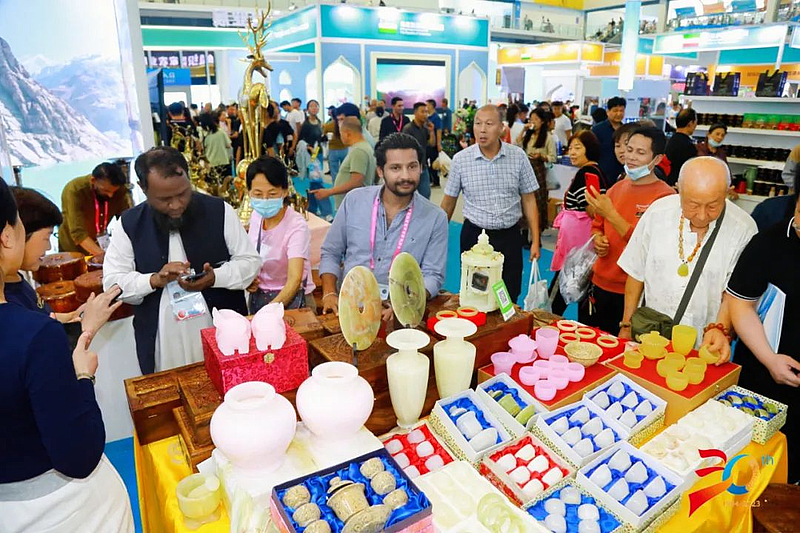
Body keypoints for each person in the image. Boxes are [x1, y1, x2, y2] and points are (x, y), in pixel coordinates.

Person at [0, 179, 133, 533]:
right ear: (8, 235)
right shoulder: (31, 335)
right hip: (57, 512)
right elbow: (79, 455)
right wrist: (83, 375)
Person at [103, 147, 260, 374]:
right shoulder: (129, 224)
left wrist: (215, 277)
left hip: (221, 331)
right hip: (163, 340)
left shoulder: (219, 211)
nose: (176, 205)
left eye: (183, 194)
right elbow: (112, 283)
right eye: (165, 199)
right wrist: (153, 280)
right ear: (143, 189)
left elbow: (250, 262)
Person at [617, 157, 758, 359]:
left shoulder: (744, 229)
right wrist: (626, 324)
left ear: (727, 193)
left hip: (706, 341)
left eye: (712, 206)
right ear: (679, 190)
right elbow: (636, 272)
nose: (701, 215)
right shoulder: (657, 213)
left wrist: (720, 329)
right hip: (650, 335)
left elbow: (733, 293)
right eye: (693, 205)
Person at [319, 133, 448, 319]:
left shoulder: (435, 217)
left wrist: (404, 304)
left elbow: (433, 275)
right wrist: (329, 293)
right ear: (380, 171)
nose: (405, 176)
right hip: (349, 305)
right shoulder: (355, 201)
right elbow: (331, 252)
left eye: (412, 166)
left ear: (421, 167)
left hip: (400, 311)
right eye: (396, 168)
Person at [724, 187, 800, 482]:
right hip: (765, 376)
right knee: (753, 465)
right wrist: (769, 359)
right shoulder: (768, 243)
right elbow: (740, 303)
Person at [441, 105, 541, 304]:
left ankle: (506, 321)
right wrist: (437, 238)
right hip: (475, 238)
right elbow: (448, 202)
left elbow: (529, 200)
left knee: (509, 293)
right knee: (476, 294)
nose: (482, 130)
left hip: (509, 236)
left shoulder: (518, 157)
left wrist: (536, 240)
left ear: (502, 127)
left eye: (489, 124)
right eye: (478, 124)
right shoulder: (461, 160)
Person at [582, 127, 675, 334]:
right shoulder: (616, 188)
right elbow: (597, 225)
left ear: (657, 159)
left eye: (640, 153)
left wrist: (611, 214)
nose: (631, 157)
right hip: (599, 282)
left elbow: (650, 248)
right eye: (629, 149)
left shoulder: (665, 198)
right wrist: (598, 239)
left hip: (632, 292)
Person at [550, 131, 609, 314]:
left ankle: (547, 324)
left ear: (589, 149)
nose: (572, 153)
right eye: (570, 148)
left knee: (562, 289)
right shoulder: (593, 171)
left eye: (578, 148)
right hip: (579, 245)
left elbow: (593, 208)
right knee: (580, 287)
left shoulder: (587, 173)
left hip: (577, 248)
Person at [246, 156, 314, 313]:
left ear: (284, 191)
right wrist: (250, 280)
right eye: (258, 194)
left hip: (290, 298)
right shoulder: (256, 217)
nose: (264, 200)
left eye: (272, 194)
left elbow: (295, 279)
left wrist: (268, 312)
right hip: (260, 297)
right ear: (249, 192)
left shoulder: (296, 225)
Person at [59, 162, 132, 256]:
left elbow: (126, 221)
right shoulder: (75, 190)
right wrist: (106, 257)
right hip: (73, 249)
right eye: (105, 190)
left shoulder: (120, 190)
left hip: (101, 246)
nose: (110, 195)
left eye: (114, 192)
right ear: (93, 180)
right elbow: (78, 233)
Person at [313, 117, 376, 210]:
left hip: (353, 207)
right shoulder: (362, 147)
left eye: (340, 133)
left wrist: (329, 192)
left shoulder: (359, 150)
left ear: (348, 134)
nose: (340, 137)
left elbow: (356, 182)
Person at [518, 108, 556, 233]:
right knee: (524, 200)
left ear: (542, 121)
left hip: (539, 170)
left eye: (536, 119)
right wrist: (524, 130)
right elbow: (517, 144)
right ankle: (524, 232)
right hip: (526, 169)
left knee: (538, 202)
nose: (533, 121)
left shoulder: (548, 137)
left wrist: (541, 156)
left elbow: (553, 157)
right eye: (531, 119)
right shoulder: (529, 135)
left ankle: (537, 234)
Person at [402, 103, 435, 199]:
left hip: (423, 166)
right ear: (415, 113)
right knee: (408, 196)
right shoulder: (408, 129)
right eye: (422, 112)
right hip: (410, 167)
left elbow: (432, 144)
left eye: (426, 112)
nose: (425, 115)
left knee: (425, 195)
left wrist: (431, 131)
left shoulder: (425, 129)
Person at [592, 96, 626, 183]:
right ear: (608, 111)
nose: (619, 114)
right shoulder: (597, 130)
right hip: (602, 174)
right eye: (615, 111)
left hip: (622, 174)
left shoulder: (626, 130)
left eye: (621, 111)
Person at [665, 108, 698, 186]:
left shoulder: (670, 140)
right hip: (678, 185)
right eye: (696, 122)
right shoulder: (688, 146)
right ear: (691, 123)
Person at [293, 99, 324, 179]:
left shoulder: (319, 122)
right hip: (310, 153)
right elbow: (301, 140)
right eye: (311, 106)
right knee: (313, 176)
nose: (314, 108)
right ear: (307, 110)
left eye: (316, 106)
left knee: (319, 175)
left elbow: (320, 138)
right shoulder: (306, 124)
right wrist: (309, 148)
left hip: (319, 151)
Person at [199, 112, 232, 177]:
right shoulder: (221, 131)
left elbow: (202, 149)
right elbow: (228, 145)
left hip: (211, 163)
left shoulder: (204, 135)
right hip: (224, 161)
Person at [323, 105, 348, 182]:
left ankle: (336, 185)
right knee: (345, 170)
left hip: (333, 149)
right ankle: (345, 184)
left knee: (334, 171)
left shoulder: (328, 125)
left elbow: (323, 135)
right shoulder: (344, 125)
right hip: (344, 148)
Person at [426, 99, 443, 188]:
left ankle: (436, 181)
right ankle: (430, 179)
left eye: (427, 105)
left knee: (434, 163)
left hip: (434, 144)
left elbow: (439, 131)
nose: (426, 107)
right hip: (427, 143)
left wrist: (439, 144)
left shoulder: (436, 118)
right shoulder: (428, 117)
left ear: (432, 106)